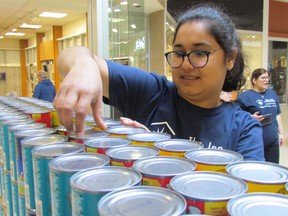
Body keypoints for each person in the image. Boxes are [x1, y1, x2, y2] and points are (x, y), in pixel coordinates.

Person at [54, 4, 264, 161]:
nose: (185, 64)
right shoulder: (152, 92)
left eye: (200, 53)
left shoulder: (244, 128)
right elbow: (68, 55)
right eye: (179, 52)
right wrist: (83, 64)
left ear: (230, 58)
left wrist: (154, 150)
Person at [237, 68, 285, 163]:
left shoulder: (272, 94)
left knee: (272, 170)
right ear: (254, 80)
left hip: (272, 141)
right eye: (263, 78)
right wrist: (251, 118)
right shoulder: (244, 97)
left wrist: (281, 134)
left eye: (267, 77)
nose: (266, 80)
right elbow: (238, 118)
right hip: (254, 142)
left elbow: (277, 115)